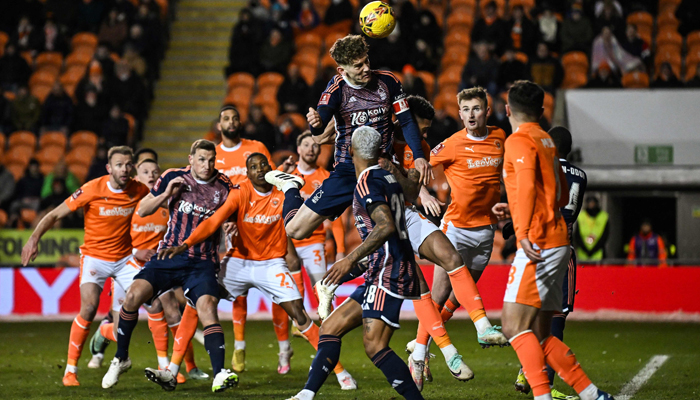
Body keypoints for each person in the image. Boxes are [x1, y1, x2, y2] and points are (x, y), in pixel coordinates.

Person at [154, 152, 356, 390]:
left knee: (300, 315)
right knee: (196, 301)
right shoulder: (240, 193)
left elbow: (302, 221)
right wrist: (186, 244)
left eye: (263, 165)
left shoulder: (284, 193)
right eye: (253, 166)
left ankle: (340, 371)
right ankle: (172, 369)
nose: (259, 169)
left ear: (271, 169)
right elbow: (213, 221)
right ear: (247, 172)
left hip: (271, 264)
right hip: (238, 262)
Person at [285, 127, 428, 400]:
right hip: (384, 268)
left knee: (374, 345)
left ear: (350, 151)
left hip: (389, 273)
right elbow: (393, 224)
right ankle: (306, 395)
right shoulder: (386, 176)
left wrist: (348, 259)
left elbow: (385, 226)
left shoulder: (366, 183)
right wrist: (350, 270)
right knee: (330, 328)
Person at [495, 80, 615, 400]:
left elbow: (530, 188)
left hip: (538, 241)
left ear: (507, 110)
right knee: (540, 332)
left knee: (512, 326)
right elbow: (559, 193)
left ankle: (542, 396)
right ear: (542, 111)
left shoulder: (518, 141)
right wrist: (521, 205)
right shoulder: (548, 141)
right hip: (560, 240)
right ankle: (591, 394)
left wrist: (521, 233)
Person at [383, 94, 505, 390]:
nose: (422, 136)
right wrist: (422, 195)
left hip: (485, 229)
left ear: (487, 111)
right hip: (422, 223)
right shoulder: (390, 142)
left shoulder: (501, 138)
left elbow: (419, 172)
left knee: (454, 298)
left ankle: (421, 348)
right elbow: (411, 178)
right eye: (466, 109)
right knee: (436, 295)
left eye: (477, 108)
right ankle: (454, 344)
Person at [100, 140, 239, 392]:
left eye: (210, 160)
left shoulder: (225, 186)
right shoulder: (172, 177)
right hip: (169, 256)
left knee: (207, 308)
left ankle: (219, 373)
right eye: (201, 159)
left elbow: (235, 217)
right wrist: (166, 194)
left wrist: (233, 224)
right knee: (133, 296)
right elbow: (142, 210)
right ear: (190, 159)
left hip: (203, 261)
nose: (206, 165)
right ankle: (121, 358)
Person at [268, 34, 430, 249]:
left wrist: (419, 157)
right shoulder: (335, 90)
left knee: (392, 236)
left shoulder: (388, 81)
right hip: (347, 169)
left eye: (366, 62)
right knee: (295, 230)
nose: (365, 69)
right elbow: (319, 125)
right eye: (357, 66)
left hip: (382, 167)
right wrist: (315, 123)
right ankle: (290, 186)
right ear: (342, 71)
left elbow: (406, 120)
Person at [20, 146, 150, 387]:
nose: (124, 169)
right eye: (119, 165)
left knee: (154, 304)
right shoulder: (91, 189)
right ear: (109, 168)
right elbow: (54, 215)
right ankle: (70, 371)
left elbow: (164, 205)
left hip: (124, 260)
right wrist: (33, 238)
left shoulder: (139, 189)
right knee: (89, 307)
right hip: (95, 258)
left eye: (128, 164)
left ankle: (167, 366)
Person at [86, 157, 208, 382]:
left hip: (157, 267)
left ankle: (186, 367)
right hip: (127, 265)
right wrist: (135, 252)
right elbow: (112, 241)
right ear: (136, 177)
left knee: (172, 310)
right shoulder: (128, 204)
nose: (151, 176)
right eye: (145, 172)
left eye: (155, 171)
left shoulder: (169, 205)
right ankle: (103, 333)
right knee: (119, 329)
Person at [214, 105, 299, 375]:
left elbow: (271, 180)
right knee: (236, 296)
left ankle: (284, 349)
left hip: (264, 223)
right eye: (226, 118)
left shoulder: (256, 147)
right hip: (233, 226)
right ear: (219, 125)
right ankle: (239, 347)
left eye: (235, 117)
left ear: (241, 122)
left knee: (278, 298)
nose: (231, 122)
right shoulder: (213, 155)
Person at [508, 126, 589, 399]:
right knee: (556, 316)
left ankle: (526, 369)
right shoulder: (581, 175)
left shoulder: (540, 166)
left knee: (530, 312)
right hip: (561, 244)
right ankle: (545, 382)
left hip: (536, 243)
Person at [575, 196, 609, 262]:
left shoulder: (603, 216)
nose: (591, 205)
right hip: (583, 254)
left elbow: (604, 236)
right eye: (590, 203)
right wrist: (585, 250)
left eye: (593, 203)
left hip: (598, 254)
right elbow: (577, 236)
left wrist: (593, 251)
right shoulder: (581, 216)